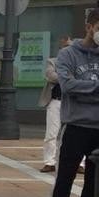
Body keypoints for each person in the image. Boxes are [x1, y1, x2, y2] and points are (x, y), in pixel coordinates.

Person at [36, 8, 99, 197]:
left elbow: (76, 86)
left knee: (94, 186)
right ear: (89, 27)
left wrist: (86, 89)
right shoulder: (68, 54)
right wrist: (95, 89)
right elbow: (68, 85)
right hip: (76, 127)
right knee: (64, 180)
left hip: (98, 130)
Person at [38, 36, 71, 173]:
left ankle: (80, 164)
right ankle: (49, 162)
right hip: (56, 101)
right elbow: (51, 76)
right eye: (64, 48)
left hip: (72, 103)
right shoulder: (52, 61)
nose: (67, 51)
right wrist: (69, 77)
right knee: (51, 133)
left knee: (75, 134)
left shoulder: (76, 63)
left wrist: (63, 77)